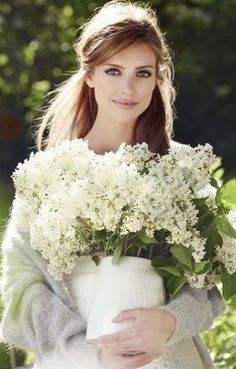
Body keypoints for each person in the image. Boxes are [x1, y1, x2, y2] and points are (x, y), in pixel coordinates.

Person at [0, 1, 226, 369]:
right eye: (113, 70)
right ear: (89, 74)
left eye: (142, 73)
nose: (128, 88)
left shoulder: (183, 170)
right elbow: (19, 295)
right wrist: (94, 353)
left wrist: (171, 321)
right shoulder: (47, 175)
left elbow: (208, 290)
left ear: (158, 79)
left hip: (170, 359)